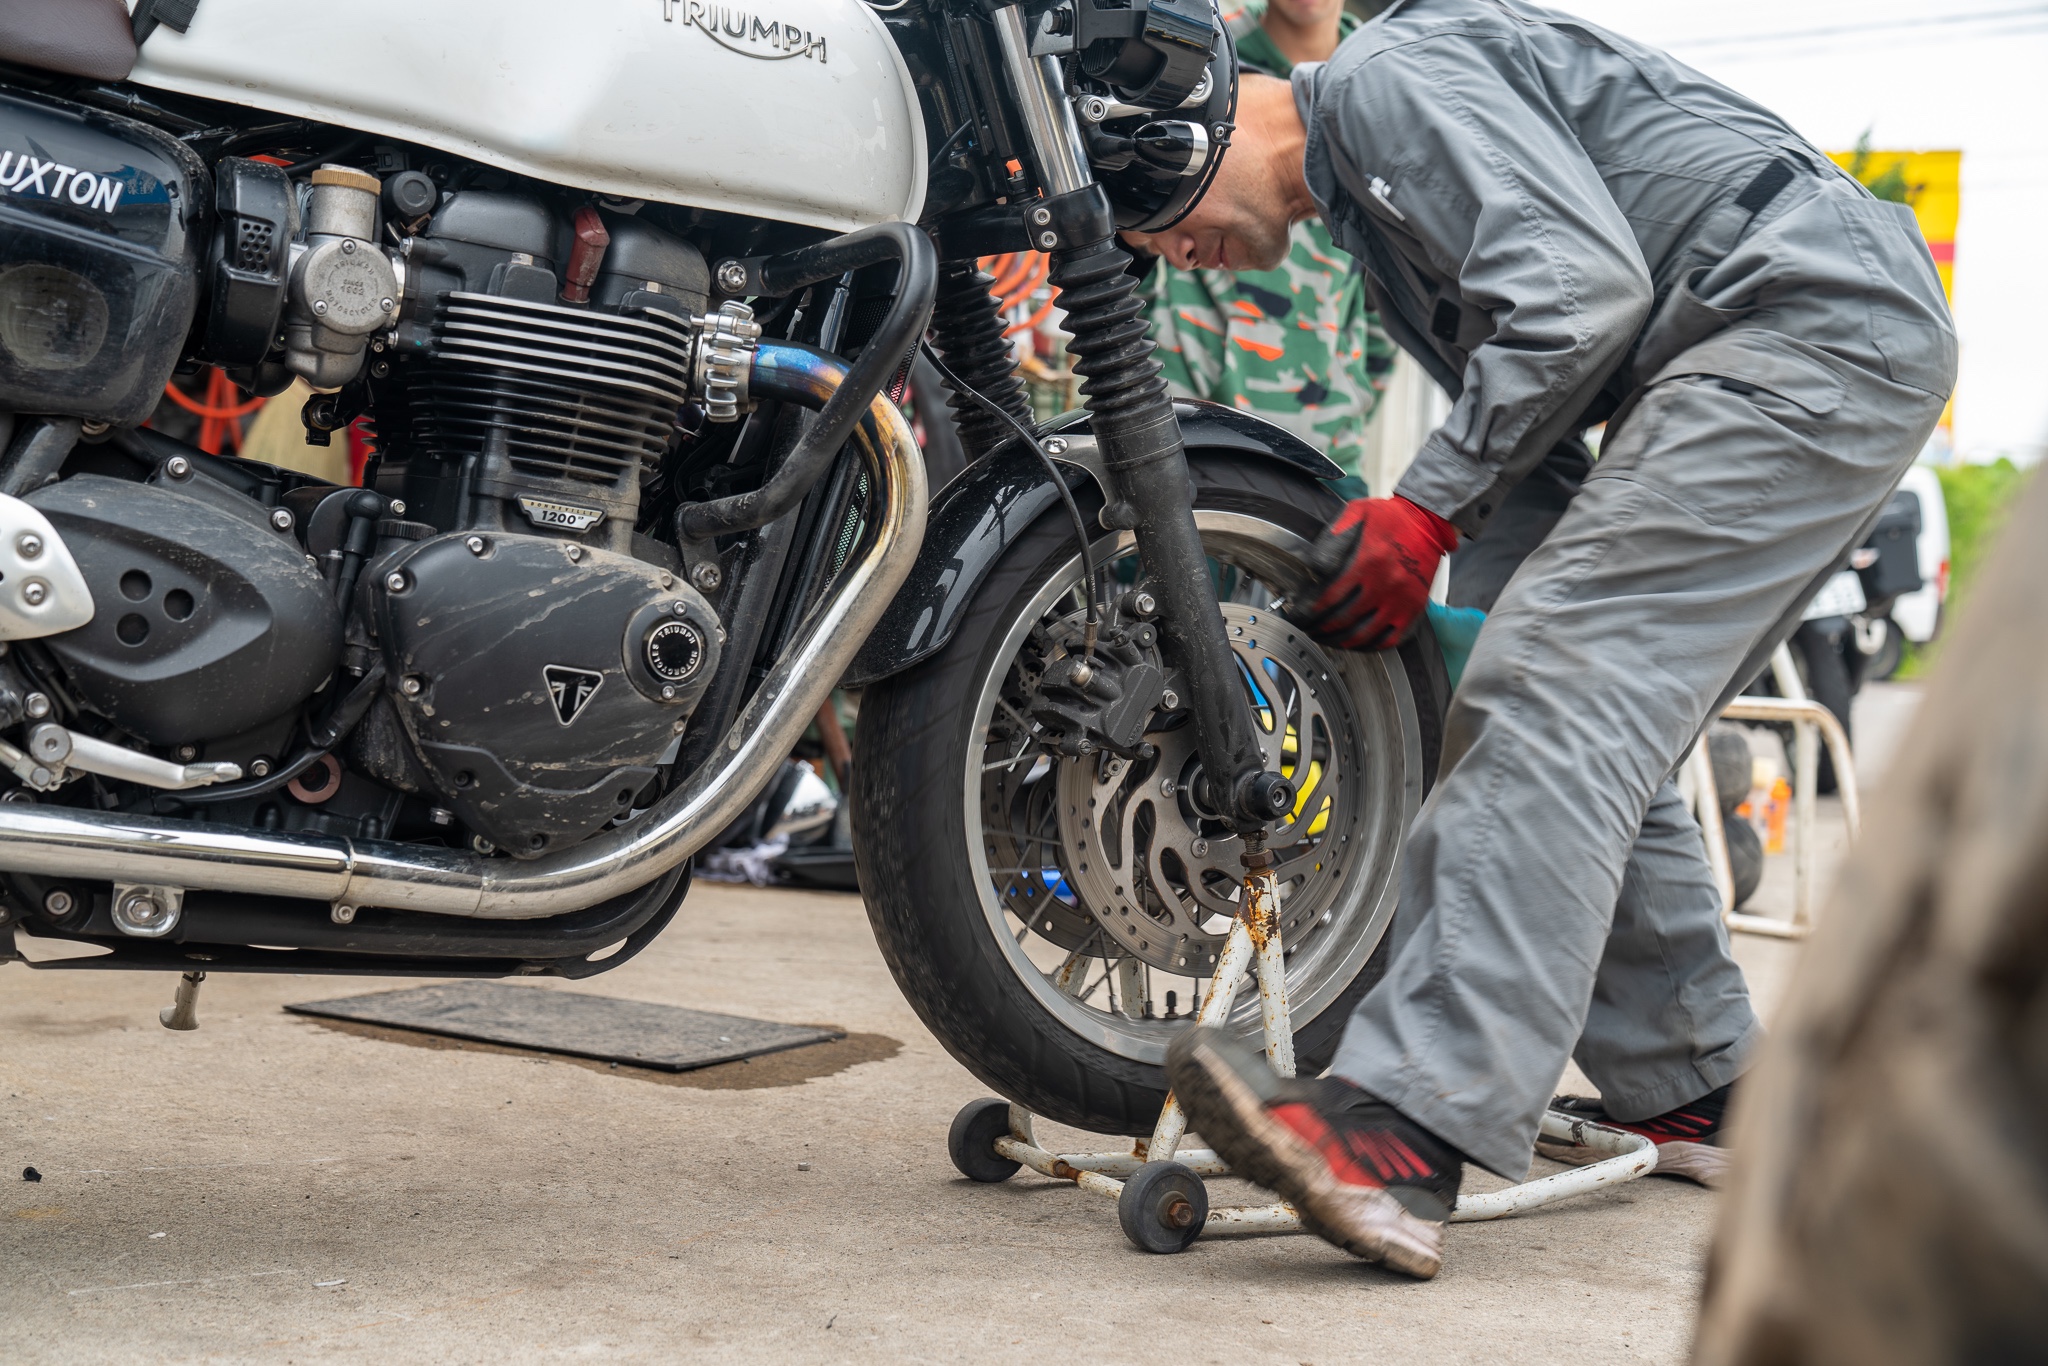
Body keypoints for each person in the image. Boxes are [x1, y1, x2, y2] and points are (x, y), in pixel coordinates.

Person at [1123, 0, 1955, 1280]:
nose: (1181, 258)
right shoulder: (1376, 231)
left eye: (1157, 222)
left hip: (1800, 320)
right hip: (1763, 339)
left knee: (1554, 685)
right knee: (1552, 686)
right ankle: (1695, 1082)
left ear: (1197, 130)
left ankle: (1399, 1133)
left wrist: (1424, 510)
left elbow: (1576, 298)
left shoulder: (1382, 79)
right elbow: (1539, 421)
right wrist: (1453, 569)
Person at [1142, 0, 1397, 487]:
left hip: (1323, 453)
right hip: (1187, 443)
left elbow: (1388, 305)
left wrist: (1345, 401)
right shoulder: (1195, 63)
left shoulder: (1382, 91)